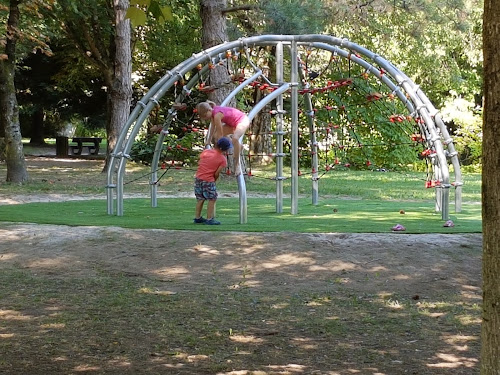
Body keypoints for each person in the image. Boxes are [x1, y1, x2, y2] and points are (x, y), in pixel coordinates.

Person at [196, 101, 250, 175]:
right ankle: (238, 146)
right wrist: (208, 140)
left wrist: (218, 150)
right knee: (215, 135)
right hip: (232, 124)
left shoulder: (217, 115)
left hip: (242, 121)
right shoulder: (213, 114)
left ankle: (237, 165)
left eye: (205, 116)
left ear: (209, 110)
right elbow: (212, 128)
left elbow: (220, 134)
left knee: (235, 138)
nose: (206, 118)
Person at [193, 137, 232, 225]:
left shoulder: (206, 152)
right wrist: (215, 180)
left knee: (200, 199)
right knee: (212, 198)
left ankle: (197, 217)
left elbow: (201, 162)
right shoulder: (222, 159)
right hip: (208, 180)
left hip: (198, 178)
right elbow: (217, 172)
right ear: (225, 149)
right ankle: (209, 219)